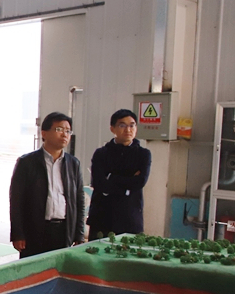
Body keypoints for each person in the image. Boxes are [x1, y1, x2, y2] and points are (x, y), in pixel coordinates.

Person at [9, 112, 85, 258]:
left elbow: (79, 201)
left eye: (68, 131)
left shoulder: (73, 164)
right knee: (34, 270)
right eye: (59, 129)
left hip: (64, 231)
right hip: (35, 230)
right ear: (44, 133)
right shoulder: (27, 162)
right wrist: (17, 233)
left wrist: (79, 234)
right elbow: (16, 201)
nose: (64, 134)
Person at [87, 109, 152, 239]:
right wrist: (127, 187)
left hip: (130, 218)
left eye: (132, 125)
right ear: (112, 128)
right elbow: (99, 183)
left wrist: (111, 177)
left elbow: (140, 182)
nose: (128, 130)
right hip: (102, 217)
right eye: (122, 125)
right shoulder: (101, 153)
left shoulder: (143, 154)